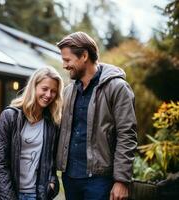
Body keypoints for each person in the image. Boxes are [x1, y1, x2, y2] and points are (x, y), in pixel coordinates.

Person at [56, 32, 137, 200]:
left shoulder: (117, 88)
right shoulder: (69, 90)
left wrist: (121, 180)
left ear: (84, 55)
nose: (64, 65)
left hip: (100, 180)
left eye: (67, 60)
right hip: (70, 178)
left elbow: (127, 134)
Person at [0, 67, 63, 200]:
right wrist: (8, 197)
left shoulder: (52, 122)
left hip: (38, 195)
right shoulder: (10, 116)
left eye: (53, 91)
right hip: (11, 193)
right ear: (33, 87)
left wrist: (52, 182)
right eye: (44, 89)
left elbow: (52, 159)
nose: (48, 95)